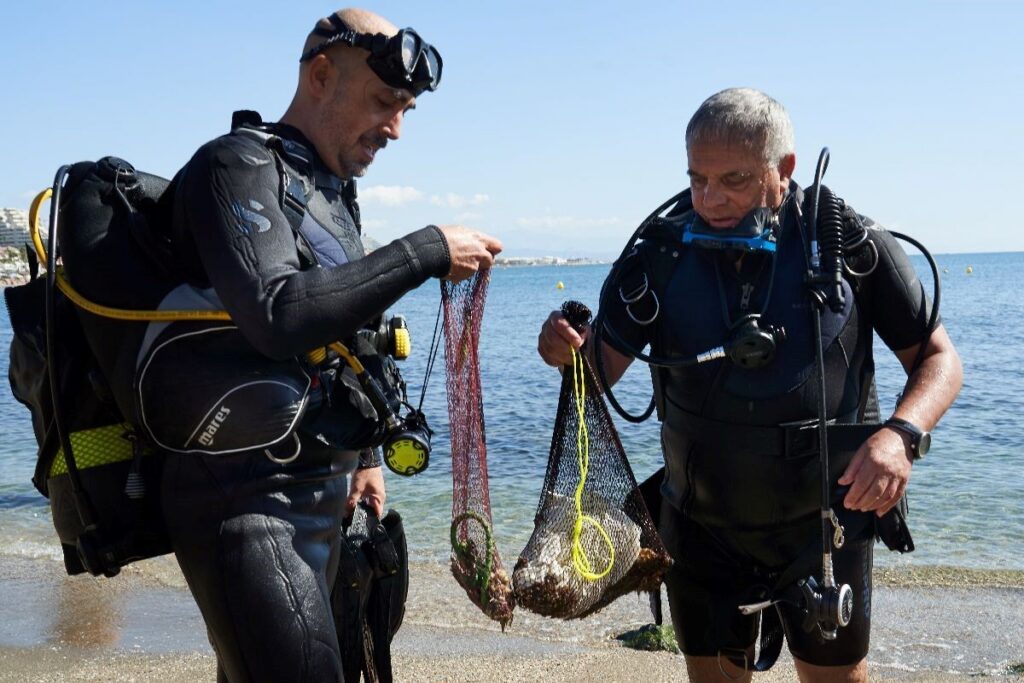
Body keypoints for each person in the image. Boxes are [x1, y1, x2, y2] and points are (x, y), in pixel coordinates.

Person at [536, 88, 961, 682]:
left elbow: (940, 360)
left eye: (732, 179)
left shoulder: (851, 246)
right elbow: (597, 371)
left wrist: (900, 436)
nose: (709, 199)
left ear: (783, 169)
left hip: (821, 520)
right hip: (701, 522)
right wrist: (561, 348)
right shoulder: (660, 254)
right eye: (697, 178)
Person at [161, 8, 501, 681]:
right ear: (321, 75)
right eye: (384, 102)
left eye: (406, 109)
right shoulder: (235, 166)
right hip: (244, 508)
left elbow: (341, 332)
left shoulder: (327, 190)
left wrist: (366, 455)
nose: (396, 128)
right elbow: (277, 314)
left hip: (321, 495)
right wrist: (427, 248)